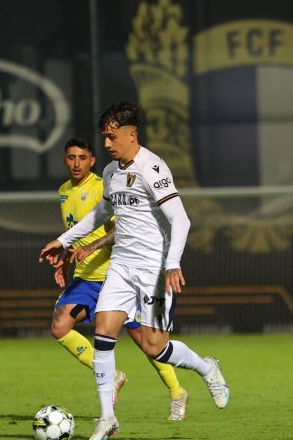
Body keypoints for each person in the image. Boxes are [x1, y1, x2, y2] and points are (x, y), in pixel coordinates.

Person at [40, 102, 229, 440]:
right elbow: (100, 214)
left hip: (154, 269)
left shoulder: (152, 167)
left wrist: (172, 263)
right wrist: (63, 239)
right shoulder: (112, 172)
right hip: (122, 267)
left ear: (131, 134)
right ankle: (107, 418)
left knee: (156, 347)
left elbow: (181, 220)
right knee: (104, 330)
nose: (108, 144)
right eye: (105, 138)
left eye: (113, 137)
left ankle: (206, 367)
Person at [51, 137, 189, 421]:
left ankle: (177, 392)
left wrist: (91, 247)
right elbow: (79, 231)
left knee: (148, 342)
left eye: (82, 157)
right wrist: (65, 254)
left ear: (92, 161)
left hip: (117, 273)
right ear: (64, 160)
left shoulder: (106, 184)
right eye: (71, 157)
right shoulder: (64, 191)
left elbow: (119, 231)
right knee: (60, 326)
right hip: (86, 277)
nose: (76, 163)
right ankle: (112, 376)